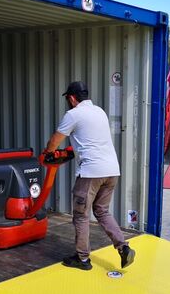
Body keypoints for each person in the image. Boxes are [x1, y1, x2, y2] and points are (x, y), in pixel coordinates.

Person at [43, 81, 135, 271]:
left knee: (81, 215)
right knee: (102, 211)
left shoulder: (73, 114)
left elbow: (54, 141)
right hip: (112, 170)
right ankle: (123, 247)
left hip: (91, 173)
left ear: (71, 98)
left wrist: (48, 153)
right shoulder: (99, 111)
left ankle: (82, 259)